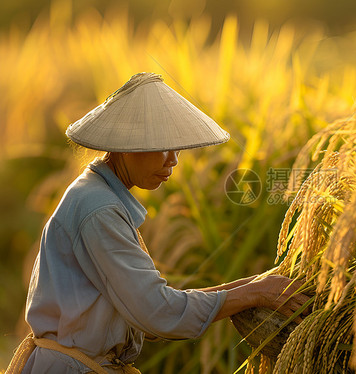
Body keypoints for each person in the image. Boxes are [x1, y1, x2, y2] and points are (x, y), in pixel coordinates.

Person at [6, 73, 308, 373]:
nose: (173, 160)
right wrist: (254, 293)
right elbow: (158, 312)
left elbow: (153, 305)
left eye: (177, 148)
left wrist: (257, 285)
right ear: (126, 145)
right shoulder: (99, 209)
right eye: (163, 146)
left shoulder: (97, 195)